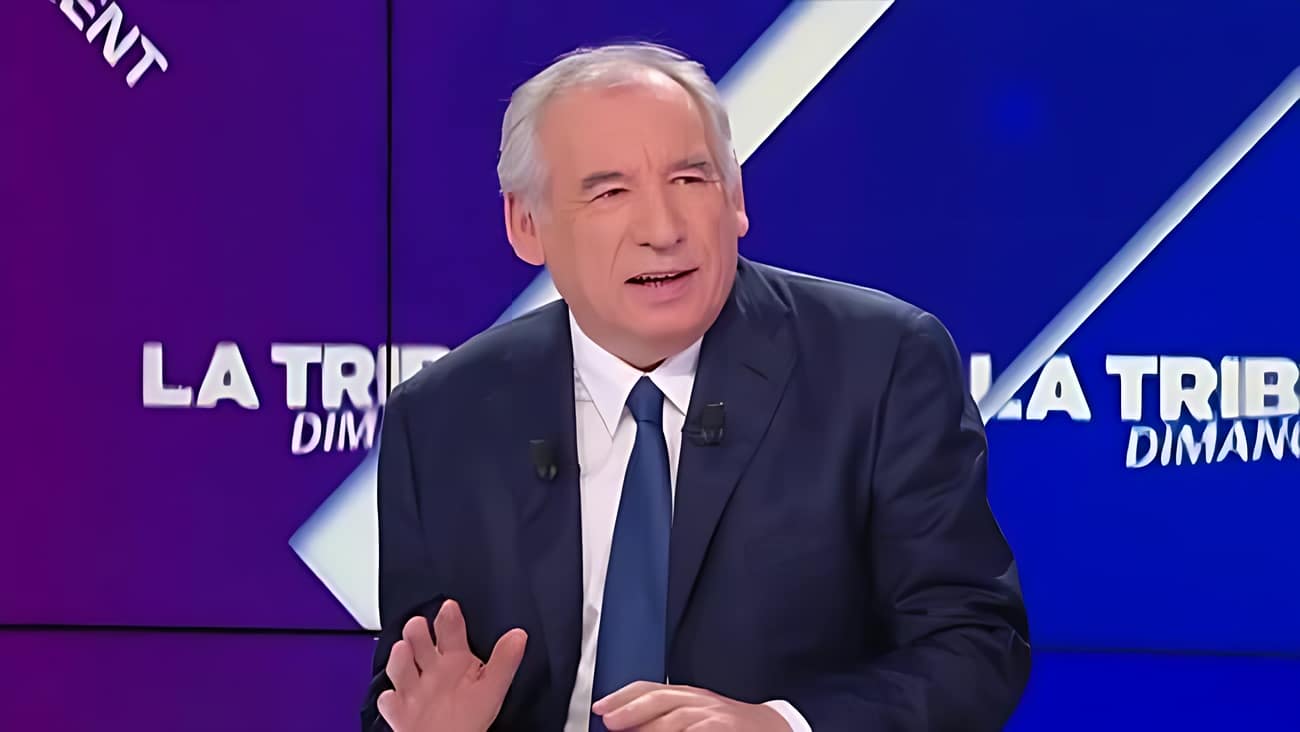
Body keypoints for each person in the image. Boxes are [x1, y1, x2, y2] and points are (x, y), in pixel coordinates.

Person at [361, 42, 1030, 732]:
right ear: (525, 224)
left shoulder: (880, 365)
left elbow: (975, 645)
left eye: (690, 179)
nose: (663, 230)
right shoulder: (444, 417)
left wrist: (781, 725)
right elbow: (401, 694)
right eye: (610, 192)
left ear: (735, 198)